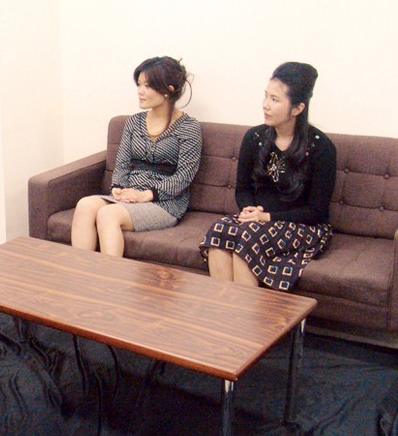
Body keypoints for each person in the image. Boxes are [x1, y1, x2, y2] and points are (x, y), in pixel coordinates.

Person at [199, 62, 337, 291]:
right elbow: (243, 189)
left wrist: (266, 218)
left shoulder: (321, 148)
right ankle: (223, 307)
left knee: (247, 238)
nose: (265, 105)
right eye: (266, 96)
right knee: (219, 230)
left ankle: (245, 311)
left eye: (275, 100)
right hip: (257, 220)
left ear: (297, 108)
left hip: (303, 225)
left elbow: (317, 211)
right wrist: (249, 209)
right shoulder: (254, 138)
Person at [71, 56, 202, 256]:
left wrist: (146, 195)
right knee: (85, 205)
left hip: (164, 202)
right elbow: (122, 163)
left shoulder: (189, 127)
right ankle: (80, 272)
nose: (140, 91)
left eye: (148, 86)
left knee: (107, 214)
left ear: (168, 90)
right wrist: (117, 187)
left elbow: (184, 176)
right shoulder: (134, 122)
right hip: (131, 195)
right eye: (139, 84)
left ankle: (111, 276)